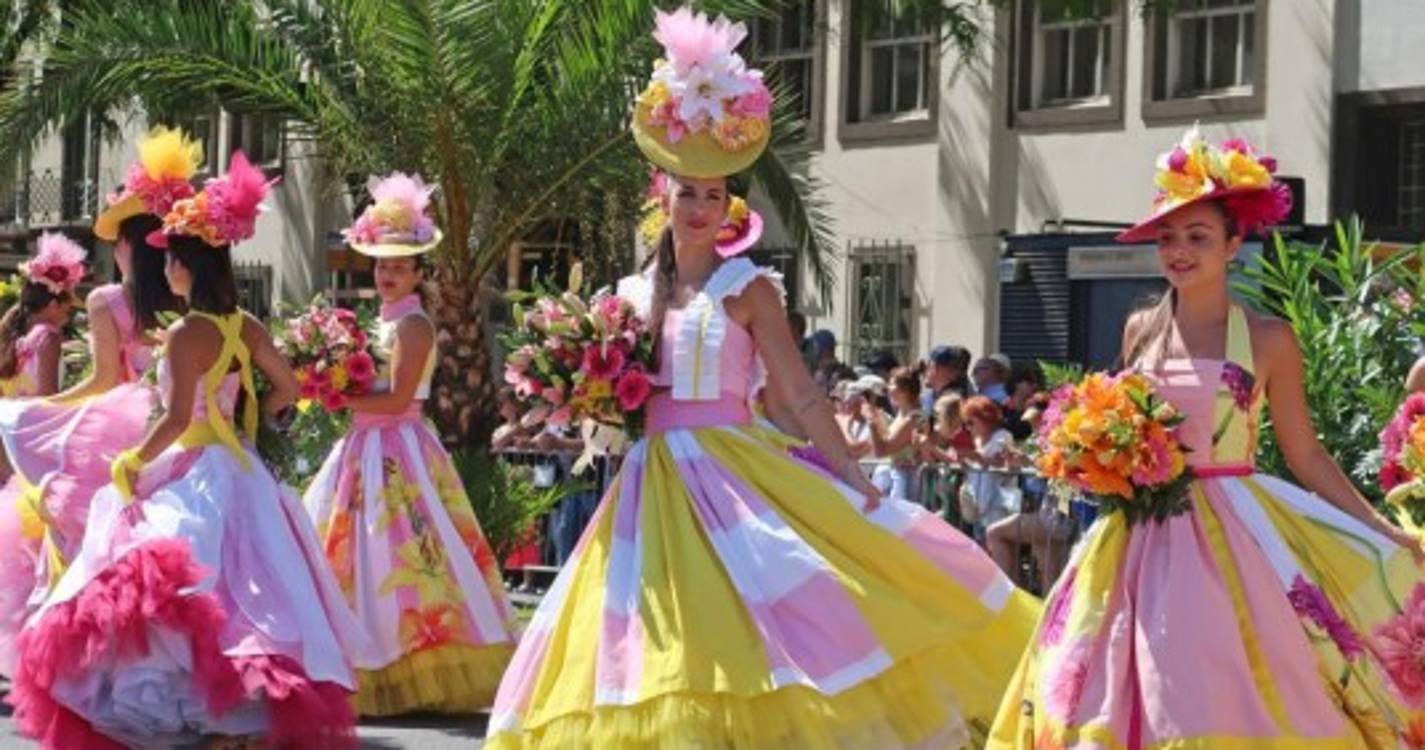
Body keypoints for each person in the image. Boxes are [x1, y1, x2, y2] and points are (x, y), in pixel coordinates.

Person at [486, 10, 1038, 749]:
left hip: (734, 470)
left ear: (727, 207)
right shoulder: (623, 298)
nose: (699, 208)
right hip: (650, 483)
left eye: (713, 195)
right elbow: (603, 403)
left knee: (765, 616)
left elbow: (797, 393)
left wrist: (849, 474)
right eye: (687, 192)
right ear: (663, 196)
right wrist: (574, 387)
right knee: (652, 632)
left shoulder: (749, 288)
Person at [989, 128, 1425, 749]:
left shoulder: (1270, 338)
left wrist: (1378, 530)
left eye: (1198, 237)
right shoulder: (1142, 328)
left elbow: (1305, 454)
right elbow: (1120, 423)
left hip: (1237, 534)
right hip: (1136, 536)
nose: (1180, 251)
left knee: (1216, 678)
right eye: (1168, 238)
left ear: (1234, 243)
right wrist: (1092, 455)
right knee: (1120, 676)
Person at [8, 151, 373, 750]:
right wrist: (256, 421)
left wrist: (131, 462)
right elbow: (287, 386)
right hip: (241, 470)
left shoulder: (184, 333)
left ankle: (196, 714)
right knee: (253, 598)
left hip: (194, 467)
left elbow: (177, 418)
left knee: (181, 597)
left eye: (170, 259)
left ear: (183, 266)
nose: (165, 268)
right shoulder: (245, 324)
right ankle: (234, 719)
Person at [302, 171, 516, 716]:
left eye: (400, 266)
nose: (388, 274)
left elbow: (398, 399)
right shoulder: (385, 320)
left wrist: (335, 396)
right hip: (366, 448)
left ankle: (404, 658)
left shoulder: (414, 326)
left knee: (402, 552)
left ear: (420, 273)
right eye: (382, 264)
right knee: (360, 554)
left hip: (397, 449)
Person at [0, 130, 189, 676]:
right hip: (181, 425)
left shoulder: (110, 300)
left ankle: (91, 650)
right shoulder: (181, 296)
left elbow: (106, 380)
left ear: (128, 243)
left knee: (96, 543)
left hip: (126, 424)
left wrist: (46, 409)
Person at [0, 233, 84, 673]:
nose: (70, 312)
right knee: (34, 552)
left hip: (4, 444)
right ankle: (32, 643)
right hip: (30, 448)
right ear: (52, 302)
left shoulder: (10, 336)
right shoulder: (47, 337)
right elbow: (49, 397)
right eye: (68, 303)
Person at [866, 365, 926, 501]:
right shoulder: (901, 414)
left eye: (892, 384)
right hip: (894, 477)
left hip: (904, 481)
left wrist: (871, 424)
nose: (888, 388)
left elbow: (882, 451)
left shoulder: (913, 418)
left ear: (905, 390)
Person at [921, 344, 972, 414]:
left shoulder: (955, 401)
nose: (927, 371)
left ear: (953, 372)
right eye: (928, 366)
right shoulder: (928, 397)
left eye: (932, 367)